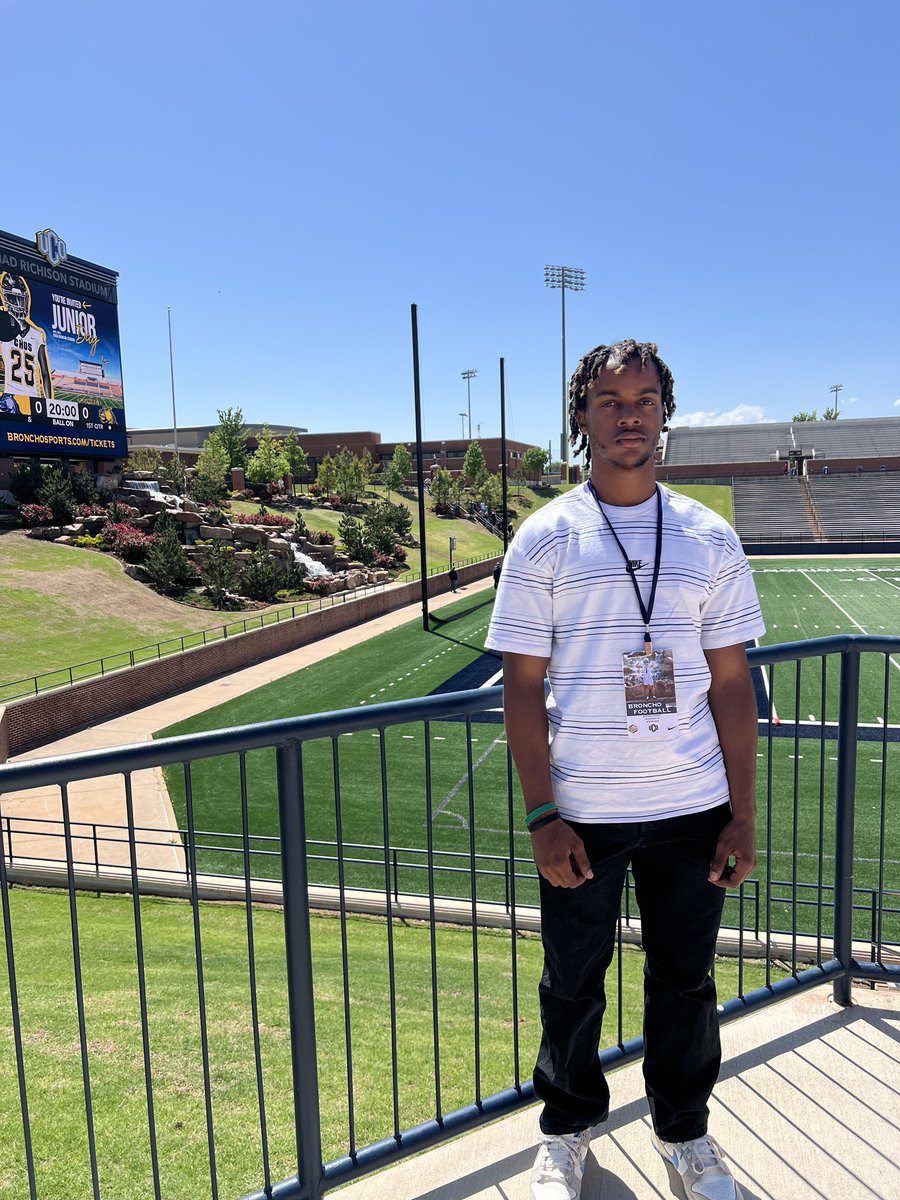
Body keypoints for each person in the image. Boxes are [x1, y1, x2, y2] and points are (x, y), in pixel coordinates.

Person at [486, 339, 764, 1200]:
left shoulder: (709, 537)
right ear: (582, 416)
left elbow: (729, 684)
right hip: (586, 809)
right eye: (610, 401)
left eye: (644, 399)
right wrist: (542, 816)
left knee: (685, 982)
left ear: (665, 413)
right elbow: (523, 692)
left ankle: (685, 1134)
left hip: (693, 807)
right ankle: (568, 1131)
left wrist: (743, 813)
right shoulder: (544, 538)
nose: (630, 414)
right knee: (571, 984)